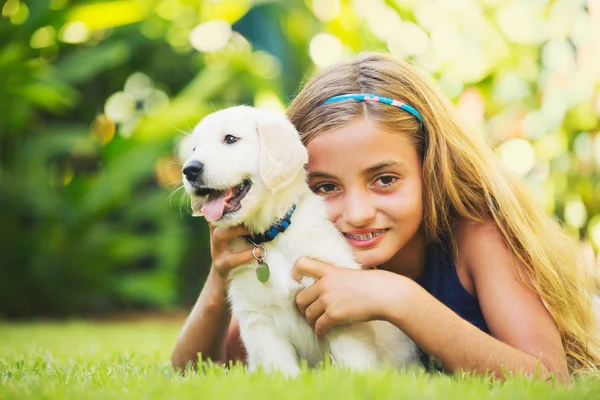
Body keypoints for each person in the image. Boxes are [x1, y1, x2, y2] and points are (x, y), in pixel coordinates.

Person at [171, 52, 600, 381]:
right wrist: (219, 281)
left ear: (429, 169)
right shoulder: (299, 253)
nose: (358, 214)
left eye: (385, 180)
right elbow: (197, 372)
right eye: (325, 187)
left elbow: (550, 381)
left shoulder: (477, 237)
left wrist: (399, 299)